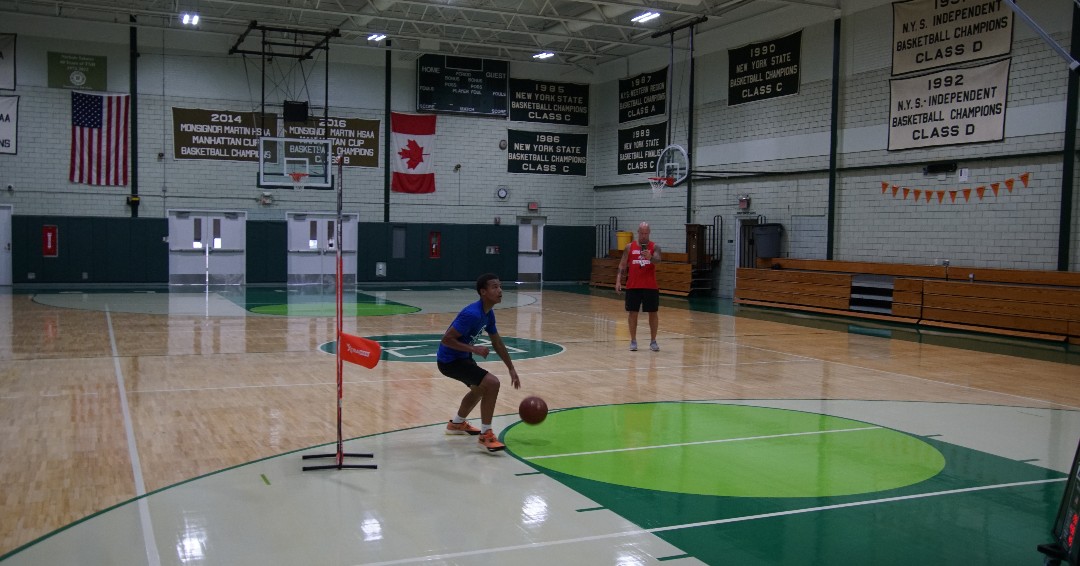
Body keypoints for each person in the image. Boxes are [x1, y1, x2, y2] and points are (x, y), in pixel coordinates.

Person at [436, 273, 521, 452]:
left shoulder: (488, 314)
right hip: (449, 361)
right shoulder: (472, 314)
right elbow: (446, 340)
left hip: (461, 358)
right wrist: (474, 349)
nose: (500, 290)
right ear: (483, 292)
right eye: (494, 287)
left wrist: (511, 368)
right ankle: (486, 435)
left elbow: (497, 342)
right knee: (492, 383)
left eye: (500, 286)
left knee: (480, 389)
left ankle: (457, 424)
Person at [615, 222, 661, 352]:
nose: (644, 236)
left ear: (649, 233)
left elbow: (658, 261)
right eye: (642, 233)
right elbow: (622, 265)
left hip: (650, 286)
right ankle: (633, 340)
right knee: (632, 313)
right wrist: (618, 281)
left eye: (646, 233)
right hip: (633, 286)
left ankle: (653, 341)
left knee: (653, 313)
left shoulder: (655, 247)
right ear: (638, 232)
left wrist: (650, 257)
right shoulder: (629, 247)